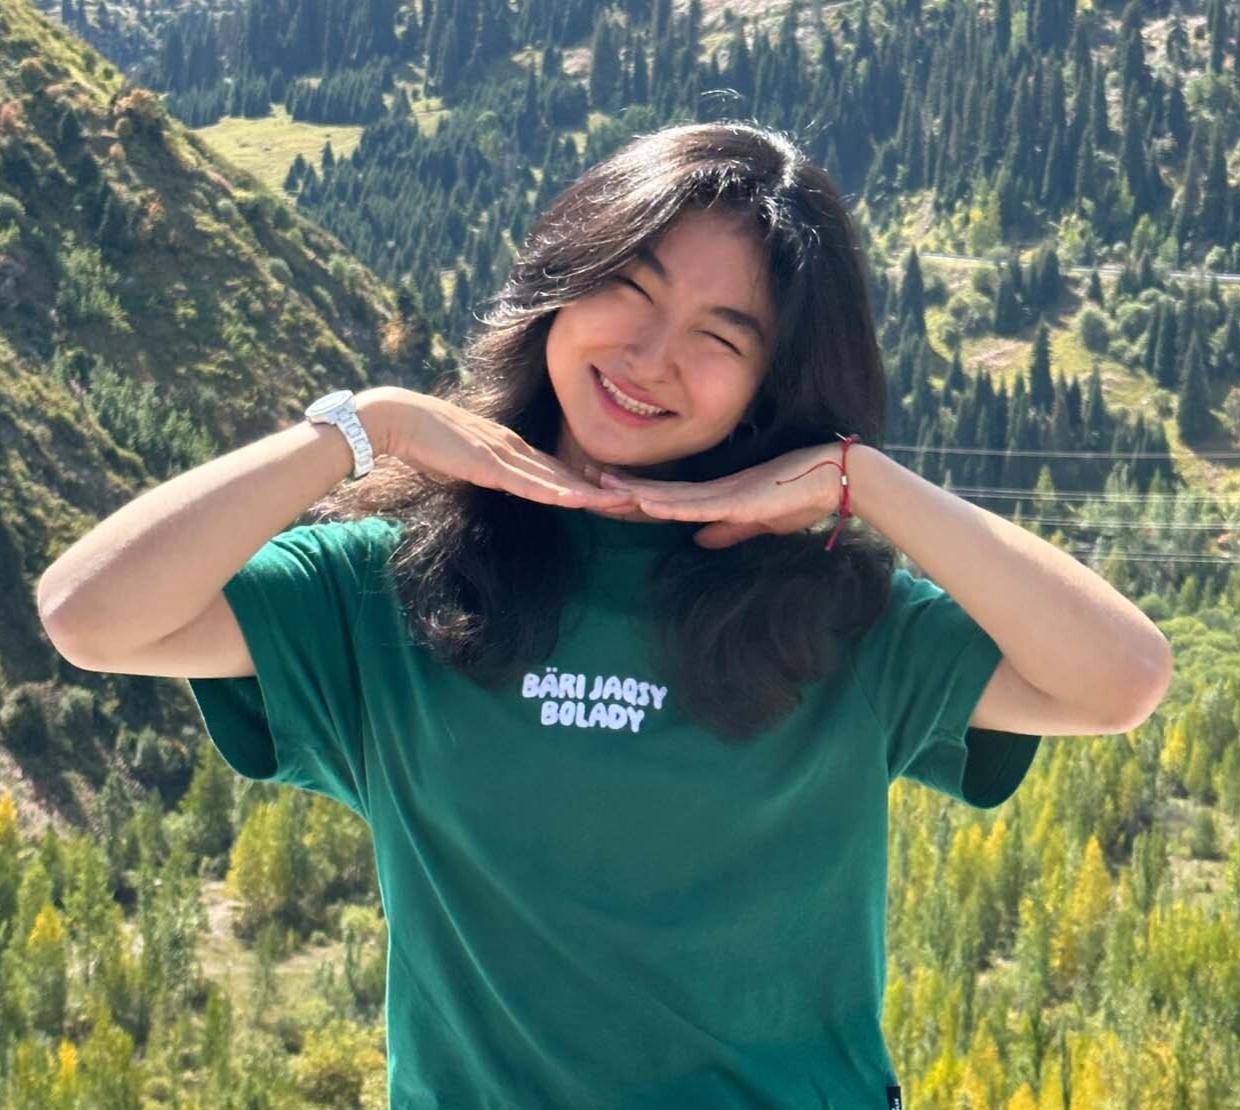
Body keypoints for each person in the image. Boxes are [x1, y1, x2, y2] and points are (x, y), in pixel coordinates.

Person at [38, 121, 1172, 1107]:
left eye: (720, 337)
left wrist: (861, 483)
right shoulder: (387, 586)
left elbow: (1118, 680)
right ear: (556, 286)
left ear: (770, 389)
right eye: (625, 288)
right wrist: (361, 429)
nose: (648, 355)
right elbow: (93, 616)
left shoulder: (835, 613)